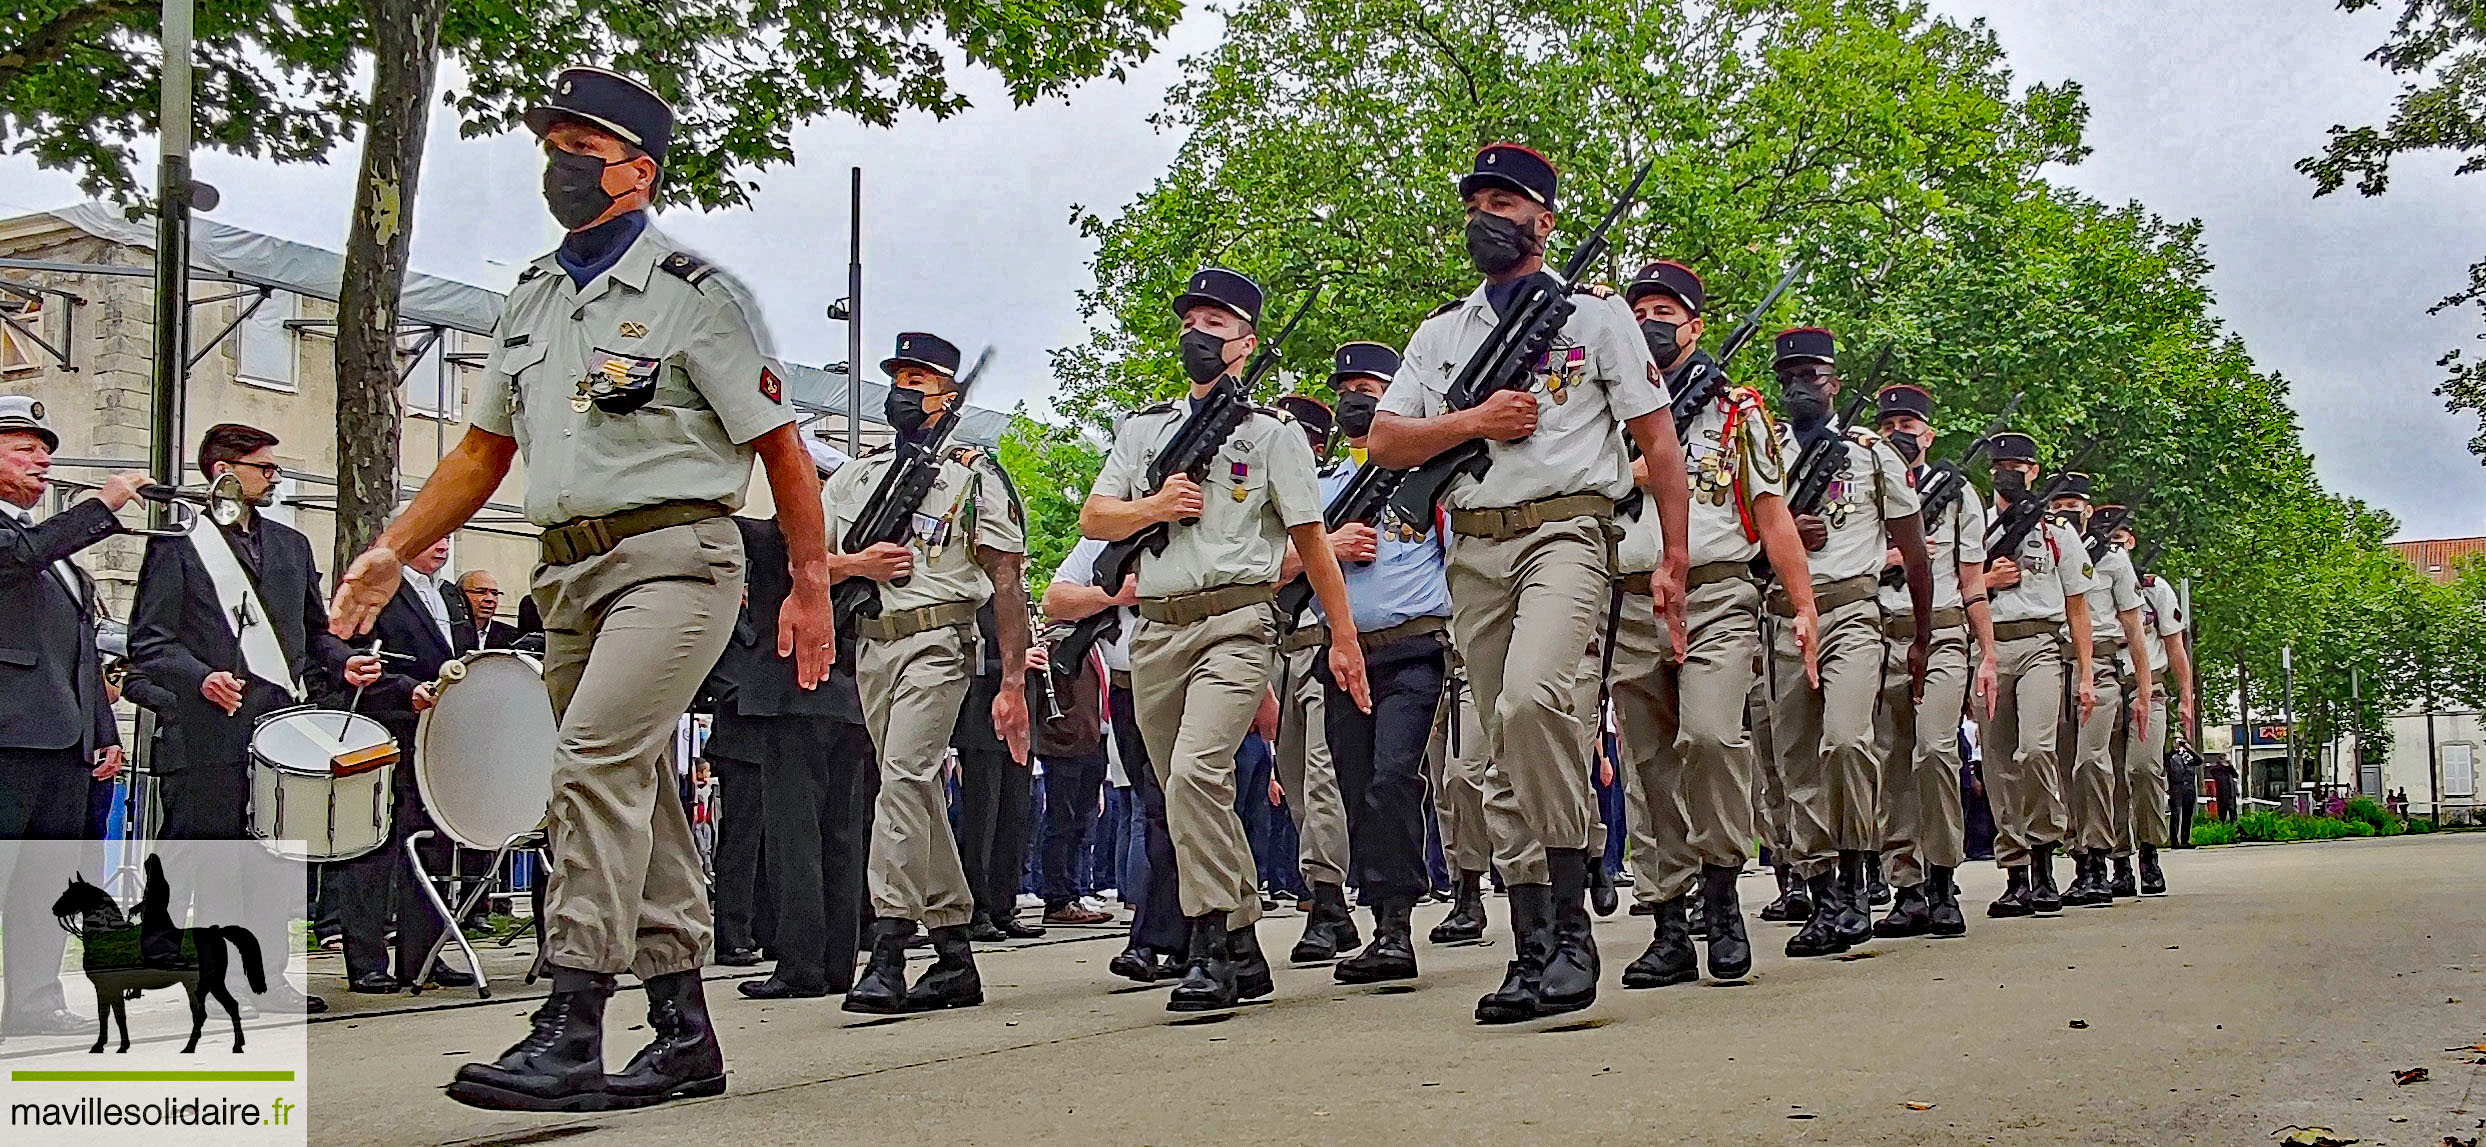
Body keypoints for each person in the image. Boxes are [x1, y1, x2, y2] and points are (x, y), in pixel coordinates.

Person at [327, 66, 837, 1113]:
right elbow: (479, 453)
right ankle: (683, 1026)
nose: (557, 164)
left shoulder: (696, 296)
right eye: (550, 145)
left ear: (636, 170)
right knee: (635, 790)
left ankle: (571, 1017)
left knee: (589, 761)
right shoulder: (531, 298)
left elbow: (781, 449)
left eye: (581, 147)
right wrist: (391, 547)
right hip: (568, 570)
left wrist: (811, 586)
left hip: (678, 558)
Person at [1364, 144, 1691, 1024]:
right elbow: (1387, 442)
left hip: (1566, 532)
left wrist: (1673, 560)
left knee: (1531, 703)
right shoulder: (1443, 333)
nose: (1485, 215)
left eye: (1505, 201)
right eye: (1476, 200)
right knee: (1495, 756)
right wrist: (1474, 420)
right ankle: (1532, 942)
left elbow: (1658, 442)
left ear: (1544, 220)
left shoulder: (1597, 318)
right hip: (1472, 547)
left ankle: (1575, 924)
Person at [1080, 266, 1370, 1012]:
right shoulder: (1145, 430)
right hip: (1158, 630)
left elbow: (1313, 542)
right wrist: (1154, 504)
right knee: (1177, 791)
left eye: (1216, 324)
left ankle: (1208, 937)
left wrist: (1342, 635)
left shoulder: (1272, 436)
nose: (1197, 335)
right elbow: (1094, 518)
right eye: (1192, 321)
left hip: (1239, 623)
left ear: (1245, 342)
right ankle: (1243, 936)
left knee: (1195, 775)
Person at [1609, 262, 1815, 990]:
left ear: (1696, 326)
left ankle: (1722, 892)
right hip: (1630, 597)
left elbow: (1772, 516)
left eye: (1667, 310)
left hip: (1719, 592)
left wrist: (1805, 606)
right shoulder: (1605, 405)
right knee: (1649, 764)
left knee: (1708, 735)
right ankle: (1667, 918)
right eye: (1640, 309)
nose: (1652, 322)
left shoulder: (1737, 411)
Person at [132, 422, 380, 1017]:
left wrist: (346, 664)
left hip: (281, 724)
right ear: (224, 471)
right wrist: (200, 677)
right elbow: (151, 642)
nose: (274, 477)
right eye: (263, 468)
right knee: (218, 856)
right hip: (209, 729)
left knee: (275, 859)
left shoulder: (293, 546)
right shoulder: (178, 545)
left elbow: (315, 634)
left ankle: (266, 977)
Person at [824, 330, 1030, 1014]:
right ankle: (953, 948)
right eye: (898, 378)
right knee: (912, 793)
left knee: (904, 779)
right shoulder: (855, 476)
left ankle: (887, 945)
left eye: (919, 381)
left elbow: (1006, 578)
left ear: (949, 396)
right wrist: (861, 566)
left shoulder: (974, 477)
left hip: (939, 642)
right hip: (872, 647)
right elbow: (809, 558)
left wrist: (1010, 682)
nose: (903, 393)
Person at [1763, 328, 1931, 960]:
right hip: (1781, 619)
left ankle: (1860, 878)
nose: (1799, 386)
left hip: (1852, 614)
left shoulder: (1871, 455)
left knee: (1847, 741)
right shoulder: (1763, 451)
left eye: (1812, 375)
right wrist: (1779, 537)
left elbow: (1913, 548)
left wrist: (1918, 634)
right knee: (1797, 760)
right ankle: (1821, 886)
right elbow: (1736, 533)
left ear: (1835, 381)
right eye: (1789, 377)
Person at [1295, 342, 1454, 984]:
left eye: (1372, 387)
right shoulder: (1318, 489)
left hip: (1414, 649)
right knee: (1356, 787)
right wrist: (1328, 548)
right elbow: (1279, 564)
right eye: (1348, 387)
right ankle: (1376, 917)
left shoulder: (1429, 478)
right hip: (1342, 654)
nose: (1357, 398)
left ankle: (1395, 925)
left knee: (1394, 778)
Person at [0, 395, 142, 1035]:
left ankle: (33, 1003)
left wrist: (103, 732)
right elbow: (15, 557)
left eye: (46, 450)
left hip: (61, 741)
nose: (42, 460)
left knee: (43, 884)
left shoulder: (53, 549)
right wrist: (103, 507)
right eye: (24, 447)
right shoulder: (29, 542)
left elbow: (82, 653)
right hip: (7, 738)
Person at [725, 458, 878, 999]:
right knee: (840, 833)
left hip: (791, 697)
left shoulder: (765, 537)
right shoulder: (857, 545)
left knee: (795, 836)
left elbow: (793, 557)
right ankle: (838, 960)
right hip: (846, 700)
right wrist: (862, 563)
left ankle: (801, 964)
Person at [1867, 384, 1998, 940]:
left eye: (1910, 423)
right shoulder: (1864, 483)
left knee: (1935, 749)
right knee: (1891, 762)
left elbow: (1972, 582)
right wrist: (1887, 557)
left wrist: (1987, 653)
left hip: (1943, 633)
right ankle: (1907, 885)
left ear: (1929, 432)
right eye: (1890, 421)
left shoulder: (1959, 494)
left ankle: (1943, 877)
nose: (1901, 431)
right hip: (1879, 633)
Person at [331, 535, 482, 993]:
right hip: (385, 728)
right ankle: (366, 961)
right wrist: (402, 688)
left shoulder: (451, 595)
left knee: (432, 844)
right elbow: (359, 660)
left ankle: (422, 956)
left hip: (437, 732)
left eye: (449, 540)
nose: (442, 547)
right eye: (433, 538)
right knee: (374, 846)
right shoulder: (383, 589)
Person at [1044, 537, 1183, 981]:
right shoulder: (1106, 540)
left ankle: (1151, 939)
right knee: (1156, 810)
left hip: (1182, 680)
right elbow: (1056, 599)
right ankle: (1189, 937)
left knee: (1170, 810)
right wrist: (1114, 595)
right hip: (1127, 690)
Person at [1978, 434, 2096, 918]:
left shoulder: (2058, 531)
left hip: (2042, 647)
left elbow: (2078, 605)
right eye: (2002, 465)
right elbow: (1955, 586)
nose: (2012, 472)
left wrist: (2086, 672)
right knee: (1998, 762)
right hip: (1988, 646)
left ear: (2034, 470)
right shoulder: (1975, 525)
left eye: (2020, 465)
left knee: (2036, 748)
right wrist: (1988, 580)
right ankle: (2014, 872)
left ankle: (2046, 858)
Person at [1268, 393, 1358, 964]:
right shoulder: (1254, 500)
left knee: (1323, 780)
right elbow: (1257, 569)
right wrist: (1321, 552)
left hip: (1326, 648)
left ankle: (1326, 899)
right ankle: (1333, 906)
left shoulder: (1339, 493)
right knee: (1295, 782)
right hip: (1277, 648)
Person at [2047, 479, 2151, 909]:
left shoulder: (2113, 560)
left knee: (2092, 761)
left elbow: (2135, 628)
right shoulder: (2043, 549)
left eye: (2075, 505)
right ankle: (2074, 856)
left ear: (2088, 511)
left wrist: (2144, 691)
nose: (2068, 512)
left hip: (2104, 668)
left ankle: (2097, 860)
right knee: (2060, 765)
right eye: (2060, 505)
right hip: (2054, 663)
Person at [2109, 517, 2190, 896]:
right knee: (2107, 777)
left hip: (2150, 689)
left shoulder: (2153, 589)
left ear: (2132, 542)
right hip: (2107, 682)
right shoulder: (2092, 581)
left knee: (2143, 769)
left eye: (2120, 538)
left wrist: (2186, 700)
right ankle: (2119, 861)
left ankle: (2149, 851)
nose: (2115, 544)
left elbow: (2175, 646)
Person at [956, 601, 1045, 942]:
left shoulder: (1020, 606)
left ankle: (1004, 906)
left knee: (1015, 816)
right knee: (982, 819)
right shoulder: (977, 604)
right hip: (982, 720)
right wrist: (1013, 665)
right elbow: (967, 661)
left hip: (1020, 722)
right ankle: (976, 910)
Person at [1027, 615, 1112, 926]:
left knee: (1083, 821)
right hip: (1065, 742)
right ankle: (1058, 897)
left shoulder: (1095, 645)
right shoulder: (1059, 643)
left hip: (1093, 740)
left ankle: (1074, 891)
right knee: (1062, 820)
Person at [1428, 670, 1493, 944]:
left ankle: (1472, 885)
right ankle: (1459, 888)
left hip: (1471, 674)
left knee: (1461, 776)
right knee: (1441, 793)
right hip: (1427, 673)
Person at [458, 570, 521, 647]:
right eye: (481, 592)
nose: (490, 599)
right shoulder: (447, 631)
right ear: (460, 595)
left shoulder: (513, 637)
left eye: (494, 593)